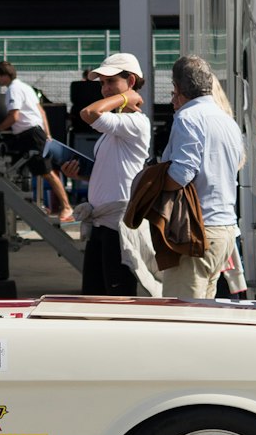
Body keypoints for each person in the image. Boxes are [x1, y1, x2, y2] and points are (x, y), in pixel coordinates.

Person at [68, 51, 153, 297]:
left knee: (117, 299)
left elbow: (88, 113)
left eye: (111, 81)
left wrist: (125, 97)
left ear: (131, 82)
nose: (104, 89)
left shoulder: (136, 122)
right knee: (94, 296)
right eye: (102, 83)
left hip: (118, 226)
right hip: (102, 223)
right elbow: (112, 172)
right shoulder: (115, 127)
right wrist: (81, 176)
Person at [160, 55, 244, 299]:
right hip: (224, 229)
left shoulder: (188, 118)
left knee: (181, 318)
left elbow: (182, 174)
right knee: (204, 317)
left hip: (196, 232)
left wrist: (152, 185)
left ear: (177, 88)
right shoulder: (227, 121)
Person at [0, 60, 73, 222]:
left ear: (5, 75)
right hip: (36, 133)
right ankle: (37, 205)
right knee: (29, 170)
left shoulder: (13, 90)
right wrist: (47, 134)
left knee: (47, 173)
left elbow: (14, 116)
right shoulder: (26, 87)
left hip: (31, 135)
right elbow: (41, 111)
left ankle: (66, 207)